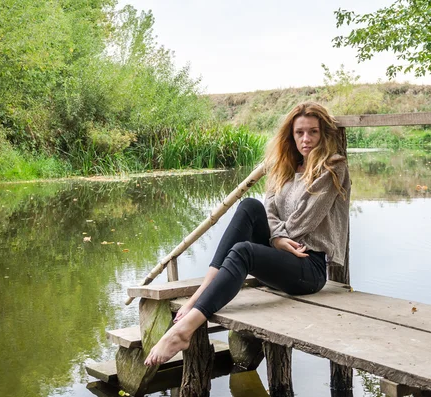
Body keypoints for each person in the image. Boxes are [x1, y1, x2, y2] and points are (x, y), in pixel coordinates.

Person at [144, 102, 351, 366]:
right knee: (249, 207)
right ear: (291, 135)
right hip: (280, 254)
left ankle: (184, 330)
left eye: (313, 132)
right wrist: (276, 239)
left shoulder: (333, 167)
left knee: (243, 252)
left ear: (324, 135)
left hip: (308, 269)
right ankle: (200, 295)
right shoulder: (286, 165)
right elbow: (269, 210)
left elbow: (304, 222)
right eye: (300, 133)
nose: (306, 139)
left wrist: (276, 237)